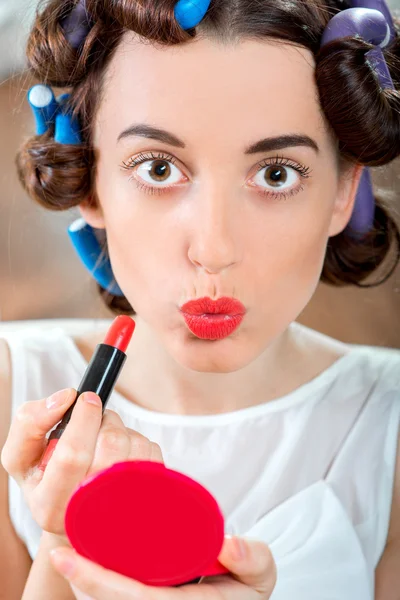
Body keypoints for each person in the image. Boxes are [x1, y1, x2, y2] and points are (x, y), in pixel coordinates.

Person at [1, 0, 400, 598]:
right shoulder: (9, 385)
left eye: (275, 174)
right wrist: (61, 543)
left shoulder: (389, 425)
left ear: (344, 191)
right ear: (88, 180)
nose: (214, 249)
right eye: (159, 168)